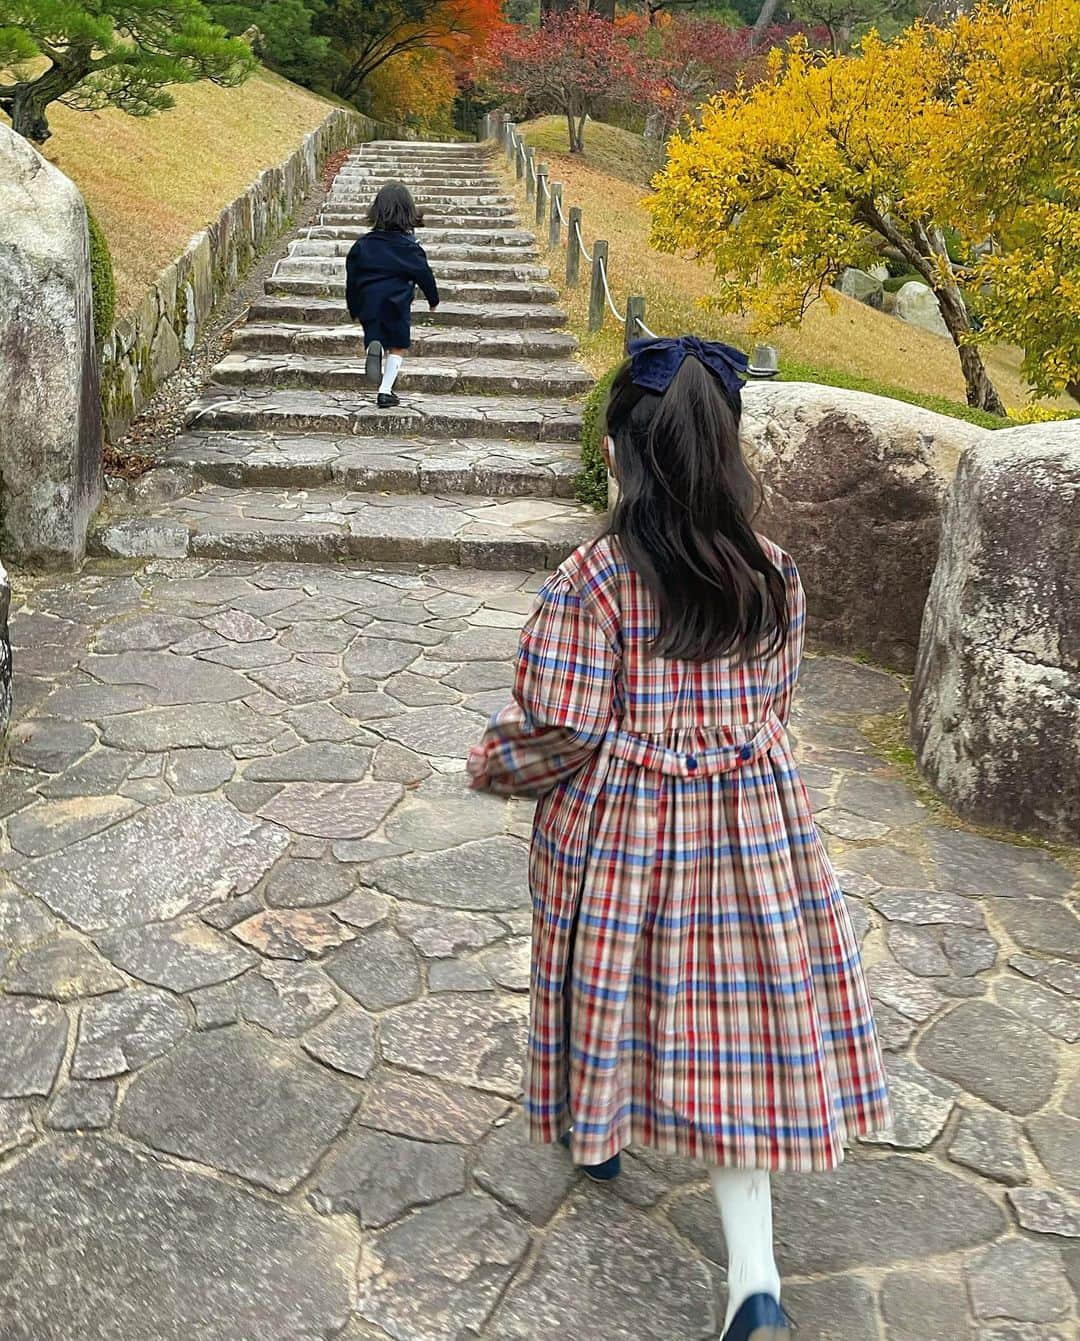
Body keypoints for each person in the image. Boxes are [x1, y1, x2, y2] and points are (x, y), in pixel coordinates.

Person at [467, 337, 890, 1341]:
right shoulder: (773, 574)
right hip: (753, 828)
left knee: (608, 980)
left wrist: (496, 763)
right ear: (725, 454)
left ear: (617, 456)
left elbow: (562, 727)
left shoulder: (593, 581)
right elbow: (773, 701)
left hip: (621, 836)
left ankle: (597, 1130)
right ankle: (755, 1281)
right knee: (731, 1033)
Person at [344, 181, 439, 408]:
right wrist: (433, 299)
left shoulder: (362, 245)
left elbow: (352, 278)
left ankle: (373, 346)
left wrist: (353, 307)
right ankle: (385, 391)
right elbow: (424, 274)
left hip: (368, 302)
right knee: (397, 345)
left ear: (376, 211)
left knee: (376, 334)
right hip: (396, 302)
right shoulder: (409, 246)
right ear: (409, 212)